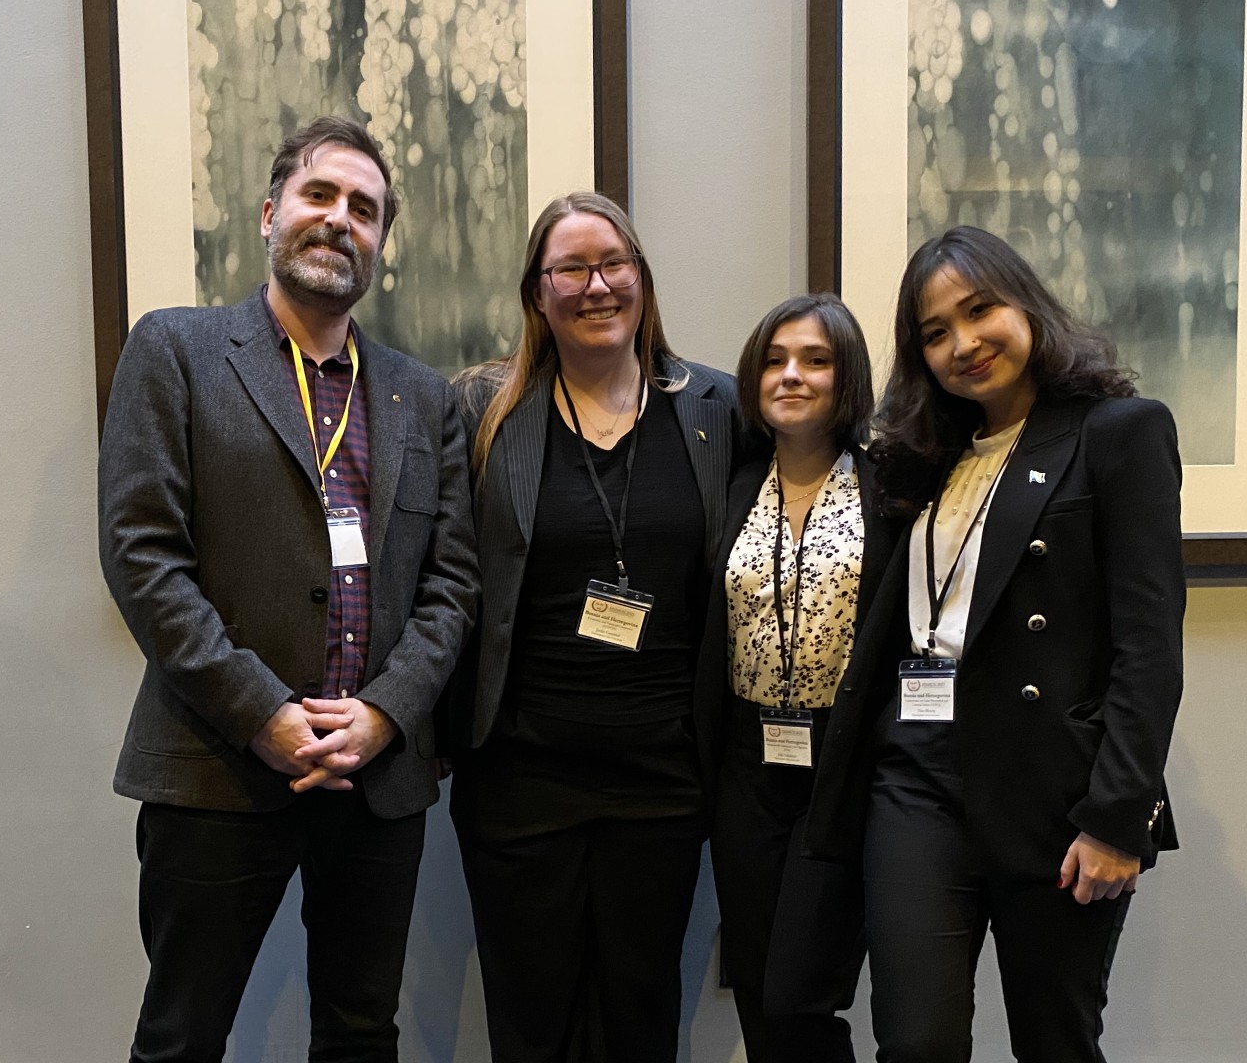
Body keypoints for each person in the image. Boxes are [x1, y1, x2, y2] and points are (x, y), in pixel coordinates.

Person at [97, 115, 478, 1063]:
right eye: (320, 196)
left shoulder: (422, 397)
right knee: (182, 1035)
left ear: (380, 245)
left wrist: (385, 714)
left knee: (359, 1035)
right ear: (271, 213)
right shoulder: (176, 352)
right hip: (218, 763)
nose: (339, 220)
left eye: (365, 209)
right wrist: (262, 712)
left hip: (376, 775)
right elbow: (142, 555)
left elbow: (452, 584)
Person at [807, 225, 1185, 1063]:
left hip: (1054, 792)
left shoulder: (1118, 433)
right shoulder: (922, 460)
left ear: (1027, 306)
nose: (962, 345)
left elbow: (1150, 648)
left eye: (978, 312)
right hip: (916, 779)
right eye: (934, 333)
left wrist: (1118, 821)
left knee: (1056, 1042)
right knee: (916, 1040)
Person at [445, 191, 743, 1063]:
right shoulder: (483, 410)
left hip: (661, 777)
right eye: (570, 269)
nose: (596, 285)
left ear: (642, 281)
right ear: (538, 293)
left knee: (642, 1015)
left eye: (614, 264)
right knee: (530, 1020)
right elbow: (446, 578)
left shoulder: (715, 410)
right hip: (518, 774)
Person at [699, 293, 882, 1062]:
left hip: (846, 764)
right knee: (756, 983)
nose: (791, 376)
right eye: (774, 360)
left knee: (804, 991)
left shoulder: (890, 492)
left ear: (848, 378)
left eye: (815, 360)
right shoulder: (733, 486)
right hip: (747, 763)